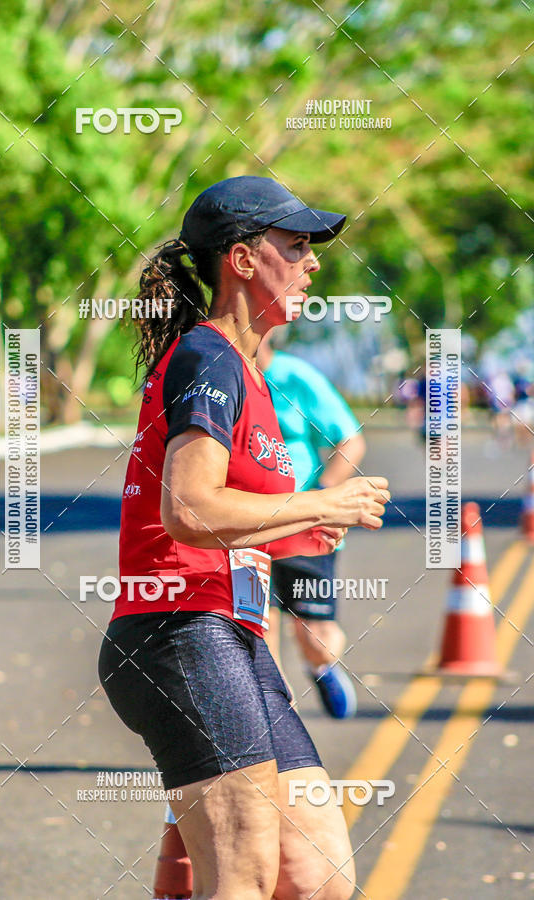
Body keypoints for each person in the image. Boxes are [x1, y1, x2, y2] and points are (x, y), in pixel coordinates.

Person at [97, 175, 390, 900]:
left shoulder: (250, 371)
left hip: (231, 635)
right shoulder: (211, 357)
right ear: (243, 260)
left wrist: (303, 524)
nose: (315, 262)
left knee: (317, 876)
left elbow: (227, 518)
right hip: (179, 631)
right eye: (297, 246)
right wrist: (323, 499)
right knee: (247, 875)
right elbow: (189, 510)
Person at [257, 331, 366, 718]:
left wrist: (322, 494)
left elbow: (350, 441)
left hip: (307, 526)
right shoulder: (224, 379)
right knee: (260, 630)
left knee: (313, 637)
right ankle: (274, 720)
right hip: (253, 527)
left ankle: (320, 666)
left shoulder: (295, 377)